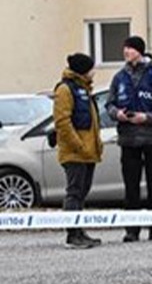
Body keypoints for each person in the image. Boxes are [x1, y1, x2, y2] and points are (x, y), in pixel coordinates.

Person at [105, 36, 152, 242]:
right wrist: (117, 113)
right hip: (128, 139)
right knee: (131, 186)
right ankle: (131, 230)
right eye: (125, 48)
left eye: (130, 48)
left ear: (140, 51)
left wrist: (148, 117)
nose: (126, 52)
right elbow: (109, 104)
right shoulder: (119, 77)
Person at [53, 53, 103, 249]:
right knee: (74, 192)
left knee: (82, 193)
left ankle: (80, 231)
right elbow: (62, 122)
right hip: (75, 153)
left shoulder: (84, 89)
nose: (94, 72)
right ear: (83, 70)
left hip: (88, 152)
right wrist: (78, 145)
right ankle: (72, 235)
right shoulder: (65, 90)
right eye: (91, 69)